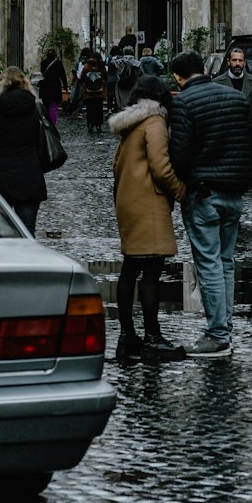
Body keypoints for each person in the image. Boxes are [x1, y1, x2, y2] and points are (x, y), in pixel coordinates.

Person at [169, 49, 252, 358]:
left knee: (209, 263)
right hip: (234, 191)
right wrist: (245, 179)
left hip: (204, 193)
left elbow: (179, 156)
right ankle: (225, 327)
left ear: (178, 77)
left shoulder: (182, 102)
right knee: (225, 262)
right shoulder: (236, 98)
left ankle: (217, 334)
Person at [109, 75, 187, 365]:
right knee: (152, 271)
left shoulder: (130, 123)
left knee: (131, 269)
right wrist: (180, 191)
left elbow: (117, 165)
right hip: (149, 202)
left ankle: (127, 335)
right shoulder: (154, 122)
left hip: (129, 201)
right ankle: (152, 336)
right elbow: (161, 165)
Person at [0, 66, 46, 234]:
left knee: (0, 233)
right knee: (27, 233)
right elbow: (41, 144)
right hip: (29, 177)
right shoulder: (34, 109)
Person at [215, 46, 252, 161]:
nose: (237, 64)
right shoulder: (217, 83)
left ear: (244, 62)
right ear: (228, 62)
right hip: (225, 138)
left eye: (240, 61)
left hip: (247, 138)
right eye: (234, 60)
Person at [79, 49, 108, 133]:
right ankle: (99, 126)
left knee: (90, 110)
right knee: (99, 109)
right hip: (99, 92)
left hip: (89, 93)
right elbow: (105, 77)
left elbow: (82, 77)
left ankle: (90, 125)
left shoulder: (87, 66)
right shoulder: (101, 66)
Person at [38, 48, 69, 128]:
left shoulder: (43, 63)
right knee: (54, 106)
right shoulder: (58, 63)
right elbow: (63, 76)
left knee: (46, 105)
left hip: (45, 86)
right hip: (55, 86)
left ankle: (46, 122)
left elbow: (42, 73)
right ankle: (52, 123)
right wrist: (65, 87)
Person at [113, 48, 141, 112]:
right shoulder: (138, 63)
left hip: (121, 84)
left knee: (121, 101)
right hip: (134, 84)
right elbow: (141, 74)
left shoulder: (118, 62)